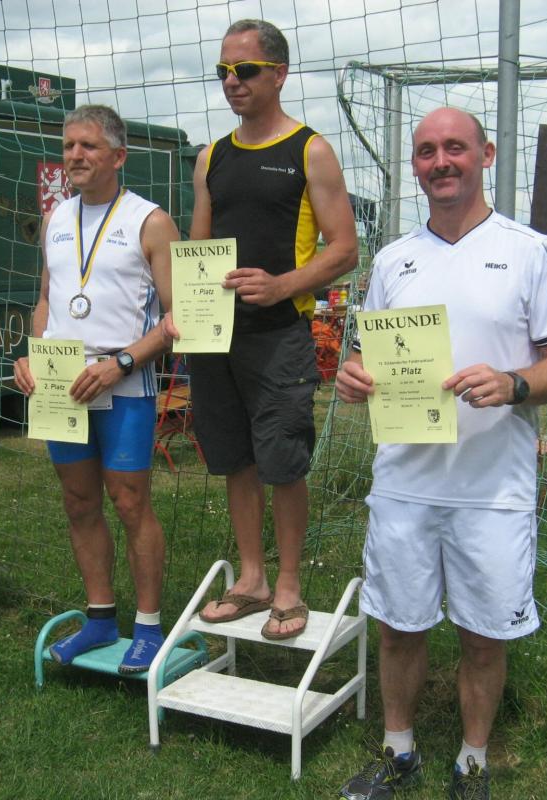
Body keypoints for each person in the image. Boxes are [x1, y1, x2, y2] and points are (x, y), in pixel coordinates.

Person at [335, 107, 547, 799]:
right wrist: (352, 378)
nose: (440, 162)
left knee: (483, 636)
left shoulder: (530, 251)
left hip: (492, 488)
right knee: (397, 628)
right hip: (405, 484)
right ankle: (399, 751)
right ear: (415, 166)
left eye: (454, 147)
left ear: (486, 155)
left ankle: (472, 762)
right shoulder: (393, 260)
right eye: (426, 151)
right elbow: (361, 359)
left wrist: (514, 384)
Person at [166, 19, 357, 639]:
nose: (232, 81)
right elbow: (198, 249)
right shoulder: (211, 157)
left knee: (283, 461)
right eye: (223, 70)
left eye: (244, 70)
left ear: (278, 74)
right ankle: (251, 579)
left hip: (279, 334)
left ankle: (289, 586)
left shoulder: (310, 150)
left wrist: (281, 285)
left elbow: (345, 248)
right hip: (215, 338)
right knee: (234, 459)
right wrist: (184, 309)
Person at [14, 105, 179, 674]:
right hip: (63, 386)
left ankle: (149, 627)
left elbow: (179, 316)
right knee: (79, 502)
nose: (75, 156)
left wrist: (122, 362)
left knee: (130, 502)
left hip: (123, 384)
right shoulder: (56, 217)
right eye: (68, 146)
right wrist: (33, 354)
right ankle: (101, 617)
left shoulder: (150, 220)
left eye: (88, 146)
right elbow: (46, 299)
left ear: (118, 156)